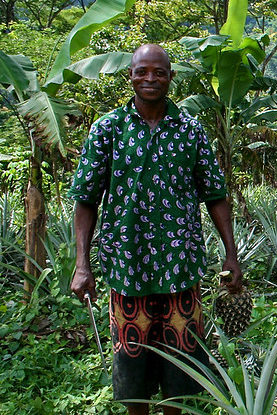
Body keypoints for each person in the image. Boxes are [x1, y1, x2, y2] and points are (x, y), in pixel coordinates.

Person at [68, 44, 243, 415]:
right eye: (142, 71)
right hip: (128, 267)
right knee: (133, 367)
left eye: (159, 73)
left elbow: (215, 195)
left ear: (170, 77)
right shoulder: (108, 129)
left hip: (180, 266)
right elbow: (86, 199)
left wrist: (231, 254)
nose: (150, 79)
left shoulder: (191, 130)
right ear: (130, 74)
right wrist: (82, 264)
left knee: (182, 363)